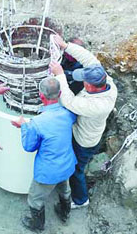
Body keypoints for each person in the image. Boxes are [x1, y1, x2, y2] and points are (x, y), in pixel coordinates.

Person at [50, 34, 117, 209]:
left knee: (76, 170)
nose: (82, 82)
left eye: (84, 81)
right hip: (82, 130)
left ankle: (81, 200)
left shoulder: (98, 105)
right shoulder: (105, 80)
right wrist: (65, 45)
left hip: (84, 141)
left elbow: (69, 102)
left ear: (91, 86)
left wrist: (60, 76)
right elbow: (89, 59)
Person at [12, 77, 77, 231]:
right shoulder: (69, 113)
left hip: (48, 170)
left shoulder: (37, 123)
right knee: (64, 189)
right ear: (60, 93)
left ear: (41, 96)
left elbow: (29, 147)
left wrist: (23, 126)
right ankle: (64, 214)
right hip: (67, 163)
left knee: (34, 199)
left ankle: (37, 225)